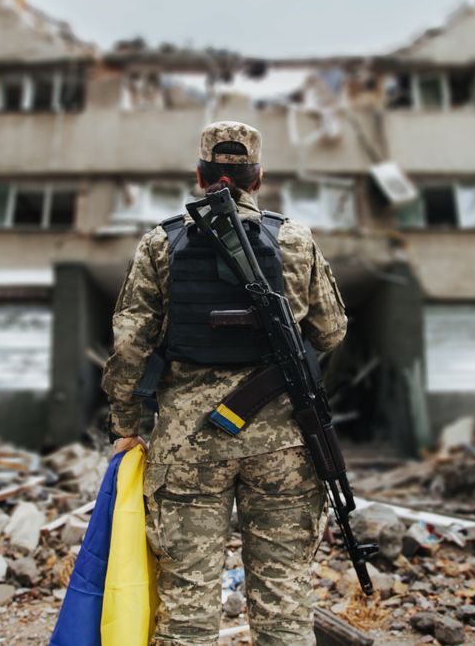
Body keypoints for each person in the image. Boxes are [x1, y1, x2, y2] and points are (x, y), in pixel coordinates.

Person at [101, 120, 348, 645]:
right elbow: (330, 331)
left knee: (188, 600)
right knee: (283, 598)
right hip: (283, 443)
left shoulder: (159, 244)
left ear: (199, 176)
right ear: (257, 179)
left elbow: (128, 346)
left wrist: (124, 424)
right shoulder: (295, 239)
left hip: (190, 446)